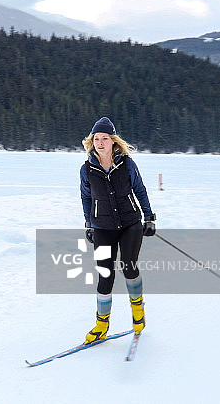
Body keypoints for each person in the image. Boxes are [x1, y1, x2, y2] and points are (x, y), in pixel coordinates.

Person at [80, 117, 155, 344]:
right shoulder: (87, 169)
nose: (100, 143)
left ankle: (138, 312)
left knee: (129, 266)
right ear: (92, 142)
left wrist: (149, 217)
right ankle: (102, 325)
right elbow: (86, 197)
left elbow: (140, 190)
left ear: (113, 141)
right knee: (105, 274)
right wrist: (88, 223)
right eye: (97, 139)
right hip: (102, 227)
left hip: (130, 224)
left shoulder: (127, 164)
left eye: (105, 138)